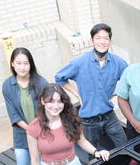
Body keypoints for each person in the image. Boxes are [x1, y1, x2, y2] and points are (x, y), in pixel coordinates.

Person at [55, 23, 128, 154]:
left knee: (124, 145)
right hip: (88, 120)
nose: (102, 42)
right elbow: (60, 78)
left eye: (105, 38)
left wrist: (116, 93)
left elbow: (129, 79)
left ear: (110, 42)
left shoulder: (118, 62)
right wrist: (77, 95)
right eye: (98, 38)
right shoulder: (79, 63)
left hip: (109, 115)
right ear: (92, 40)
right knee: (92, 153)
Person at [27, 84, 110, 165]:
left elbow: (82, 141)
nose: (56, 106)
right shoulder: (34, 127)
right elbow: (34, 160)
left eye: (59, 101)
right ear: (43, 101)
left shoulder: (71, 119)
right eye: (51, 101)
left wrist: (96, 152)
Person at [1, 47, 48, 165]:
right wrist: (30, 130)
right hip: (22, 135)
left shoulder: (41, 83)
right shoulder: (8, 85)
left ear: (31, 64)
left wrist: (39, 130)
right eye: (18, 63)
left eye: (25, 63)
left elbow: (48, 109)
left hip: (42, 134)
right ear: (13, 64)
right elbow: (13, 114)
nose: (22, 67)